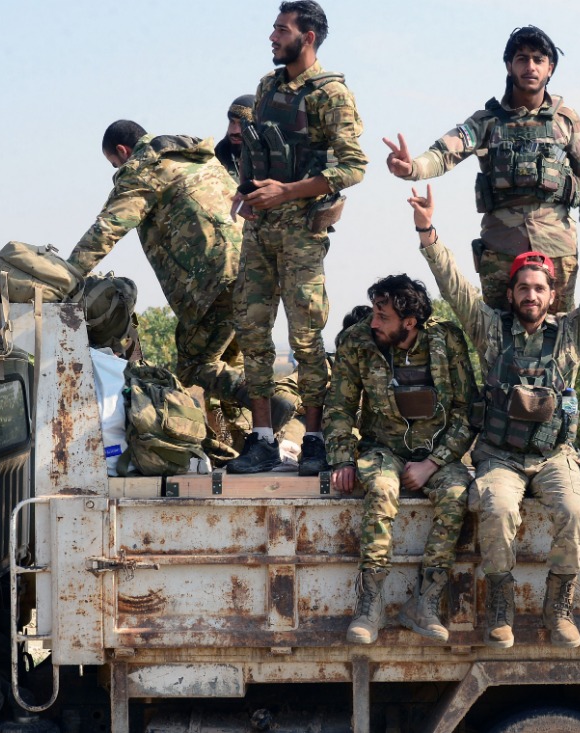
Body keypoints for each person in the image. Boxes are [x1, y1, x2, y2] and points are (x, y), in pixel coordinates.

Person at [409, 183, 580, 649]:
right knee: (497, 510)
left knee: (575, 510)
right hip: (500, 456)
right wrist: (427, 230)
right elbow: (453, 284)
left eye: (539, 288)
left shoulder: (572, 333)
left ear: (552, 294)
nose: (531, 294)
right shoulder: (489, 329)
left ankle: (558, 606)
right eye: (523, 287)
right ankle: (501, 606)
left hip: (554, 455)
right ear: (510, 292)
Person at [68, 120, 293, 421]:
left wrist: (65, 277)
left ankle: (273, 404)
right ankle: (252, 436)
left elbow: (107, 229)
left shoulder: (144, 170)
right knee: (230, 362)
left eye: (114, 163)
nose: (117, 169)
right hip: (260, 268)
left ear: (122, 151)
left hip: (217, 281)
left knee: (195, 365)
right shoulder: (197, 157)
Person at [228, 0, 368, 476]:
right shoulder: (266, 87)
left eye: (282, 30)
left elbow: (353, 166)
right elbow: (258, 148)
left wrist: (287, 191)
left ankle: (314, 438)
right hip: (259, 230)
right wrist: (245, 190)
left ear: (307, 38)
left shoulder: (331, 94)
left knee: (305, 338)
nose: (272, 37)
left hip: (302, 233)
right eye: (273, 28)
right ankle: (262, 439)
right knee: (252, 333)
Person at [384, 25, 580, 314]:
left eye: (538, 59)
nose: (530, 66)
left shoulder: (567, 121)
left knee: (560, 334)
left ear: (550, 68)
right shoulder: (487, 122)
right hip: (501, 251)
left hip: (558, 252)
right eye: (522, 59)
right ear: (509, 65)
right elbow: (444, 153)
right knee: (498, 334)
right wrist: (412, 167)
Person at [323, 275, 476, 645]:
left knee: (457, 495)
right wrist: (342, 459)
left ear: (409, 322)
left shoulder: (446, 340)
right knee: (380, 488)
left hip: (437, 452)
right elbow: (340, 406)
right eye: (374, 312)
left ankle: (425, 602)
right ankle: (369, 605)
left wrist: (433, 463)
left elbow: (467, 410)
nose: (374, 322)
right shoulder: (357, 341)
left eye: (383, 316)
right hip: (382, 447)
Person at [215, 94, 256, 182]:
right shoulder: (215, 161)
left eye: (242, 124)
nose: (235, 131)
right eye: (232, 122)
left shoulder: (272, 165)